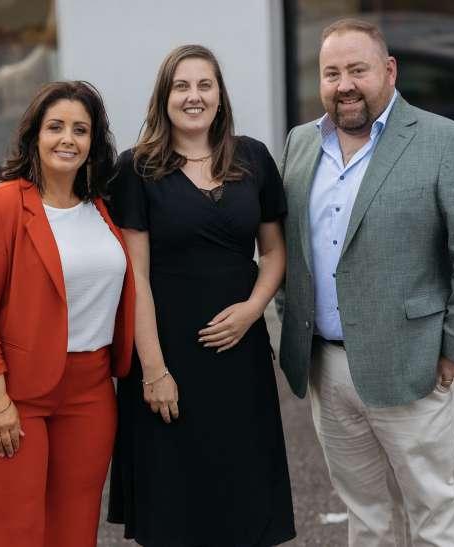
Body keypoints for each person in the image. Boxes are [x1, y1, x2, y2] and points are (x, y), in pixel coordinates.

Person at [276, 18, 454, 547]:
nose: (344, 85)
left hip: (415, 364)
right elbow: (286, 243)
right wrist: (291, 318)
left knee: (435, 512)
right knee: (364, 515)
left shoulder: (444, 141)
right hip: (327, 367)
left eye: (357, 70)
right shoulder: (301, 143)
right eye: (331, 73)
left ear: (389, 71)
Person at [107, 44, 295, 547]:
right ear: (164, 97)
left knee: (244, 492)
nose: (194, 96)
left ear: (219, 95)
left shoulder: (252, 157)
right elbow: (134, 276)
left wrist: (253, 310)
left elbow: (274, 252)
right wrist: (154, 371)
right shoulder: (136, 168)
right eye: (181, 86)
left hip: (240, 353)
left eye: (204, 85)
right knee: (175, 500)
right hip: (168, 354)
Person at [0, 80, 135, 547]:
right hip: (11, 392)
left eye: (80, 129)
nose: (67, 139)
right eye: (55, 127)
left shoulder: (101, 209)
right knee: (16, 535)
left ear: (93, 142)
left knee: (75, 534)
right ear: (34, 134)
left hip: (90, 392)